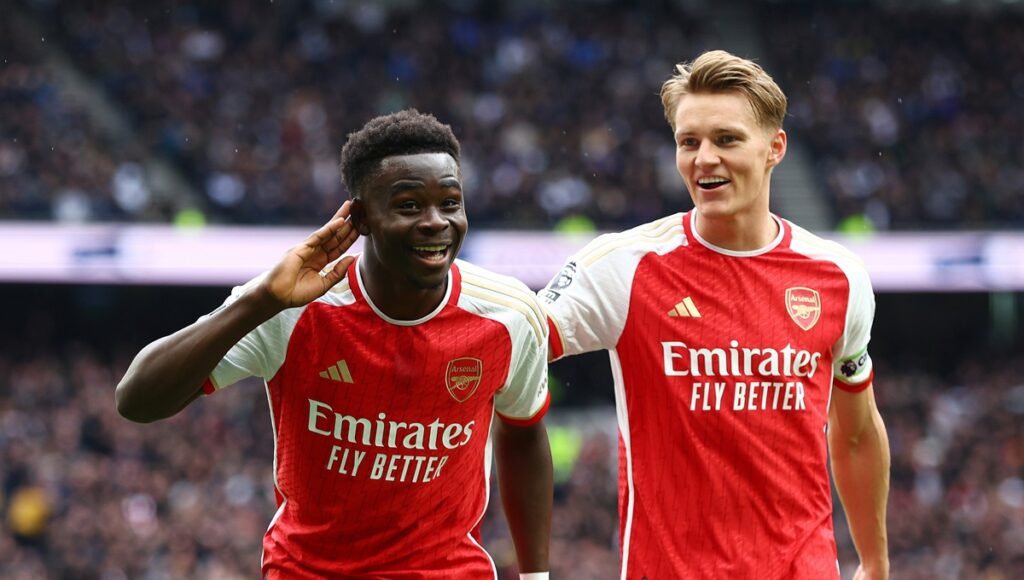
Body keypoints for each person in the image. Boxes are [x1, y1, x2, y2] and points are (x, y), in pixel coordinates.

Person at [116, 110, 553, 579]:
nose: (436, 222)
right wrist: (258, 301)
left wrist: (535, 577)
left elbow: (525, 434)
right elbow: (136, 400)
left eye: (450, 203)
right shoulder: (292, 308)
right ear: (360, 217)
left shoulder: (509, 315)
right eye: (408, 206)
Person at [540, 50, 890, 579]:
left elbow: (858, 433)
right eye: (689, 142)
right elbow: (504, 352)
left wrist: (876, 562)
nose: (703, 158)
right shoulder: (623, 268)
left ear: (775, 148)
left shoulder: (838, 276)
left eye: (726, 139)